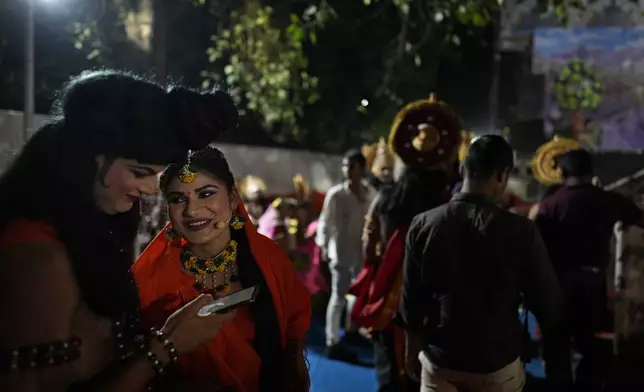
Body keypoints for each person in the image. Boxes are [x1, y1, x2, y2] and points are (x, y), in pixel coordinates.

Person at [0, 70, 239, 391]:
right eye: (140, 172)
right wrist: (168, 345)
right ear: (88, 159)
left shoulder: (88, 231)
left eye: (155, 176)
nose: (149, 190)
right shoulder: (35, 259)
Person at [132, 146, 311, 391]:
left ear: (233, 198)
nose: (192, 210)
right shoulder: (152, 280)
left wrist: (294, 353)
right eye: (178, 199)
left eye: (205, 194)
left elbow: (295, 313)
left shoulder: (269, 257)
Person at [399, 134, 564, 392]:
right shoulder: (521, 231)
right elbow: (547, 302)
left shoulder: (423, 224)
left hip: (440, 359)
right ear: (502, 175)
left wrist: (411, 346)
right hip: (496, 363)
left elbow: (411, 297)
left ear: (463, 169)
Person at [349, 95, 461, 392]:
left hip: (391, 296)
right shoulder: (449, 201)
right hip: (435, 299)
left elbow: (369, 246)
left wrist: (379, 266)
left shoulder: (388, 197)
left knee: (389, 370)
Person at [535, 149, 644, 392]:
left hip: (558, 283)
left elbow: (536, 246)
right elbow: (639, 218)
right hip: (593, 283)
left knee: (556, 345)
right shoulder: (608, 200)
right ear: (592, 173)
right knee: (593, 348)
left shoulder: (551, 204)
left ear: (561, 173)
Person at [316, 149, 375, 361]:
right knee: (338, 296)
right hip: (340, 253)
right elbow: (325, 221)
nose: (346, 171)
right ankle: (332, 340)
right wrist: (323, 245)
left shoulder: (371, 195)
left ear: (361, 169)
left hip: (362, 253)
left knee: (358, 294)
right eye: (345, 166)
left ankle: (351, 330)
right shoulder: (336, 195)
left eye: (351, 166)